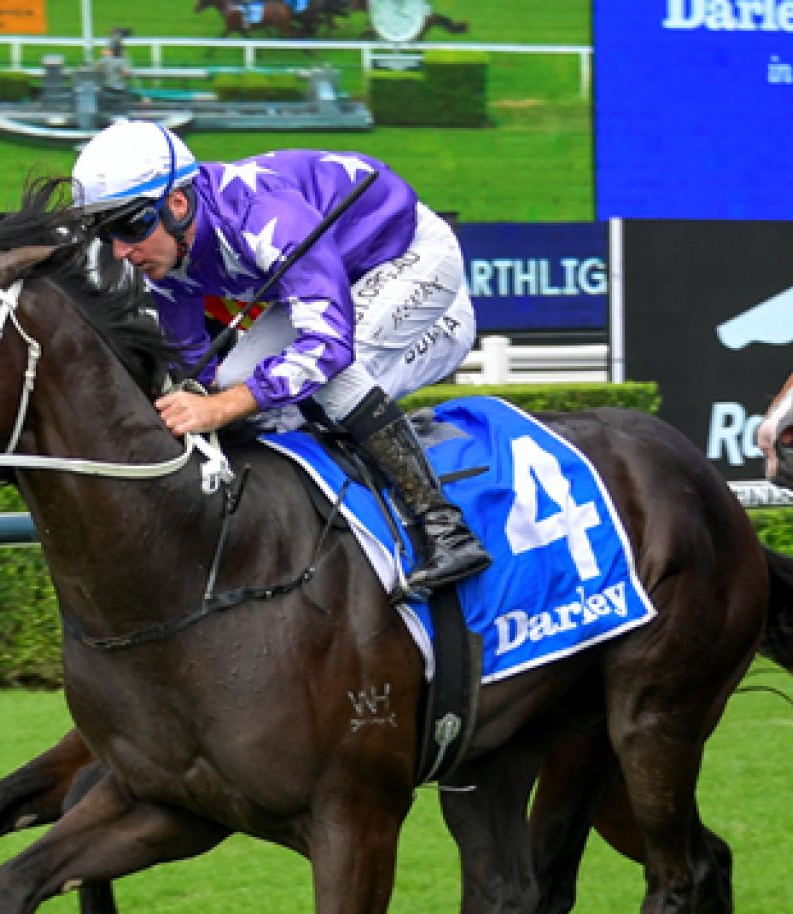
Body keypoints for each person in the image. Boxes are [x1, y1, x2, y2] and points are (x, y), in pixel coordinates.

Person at [71, 120, 488, 596]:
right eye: (107, 234)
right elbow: (196, 370)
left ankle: (445, 528)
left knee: (328, 376)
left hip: (410, 259)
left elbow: (328, 345)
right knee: (233, 378)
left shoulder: (262, 218)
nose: (122, 251)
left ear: (178, 204)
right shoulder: (164, 258)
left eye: (130, 226)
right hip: (341, 277)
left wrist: (224, 407)